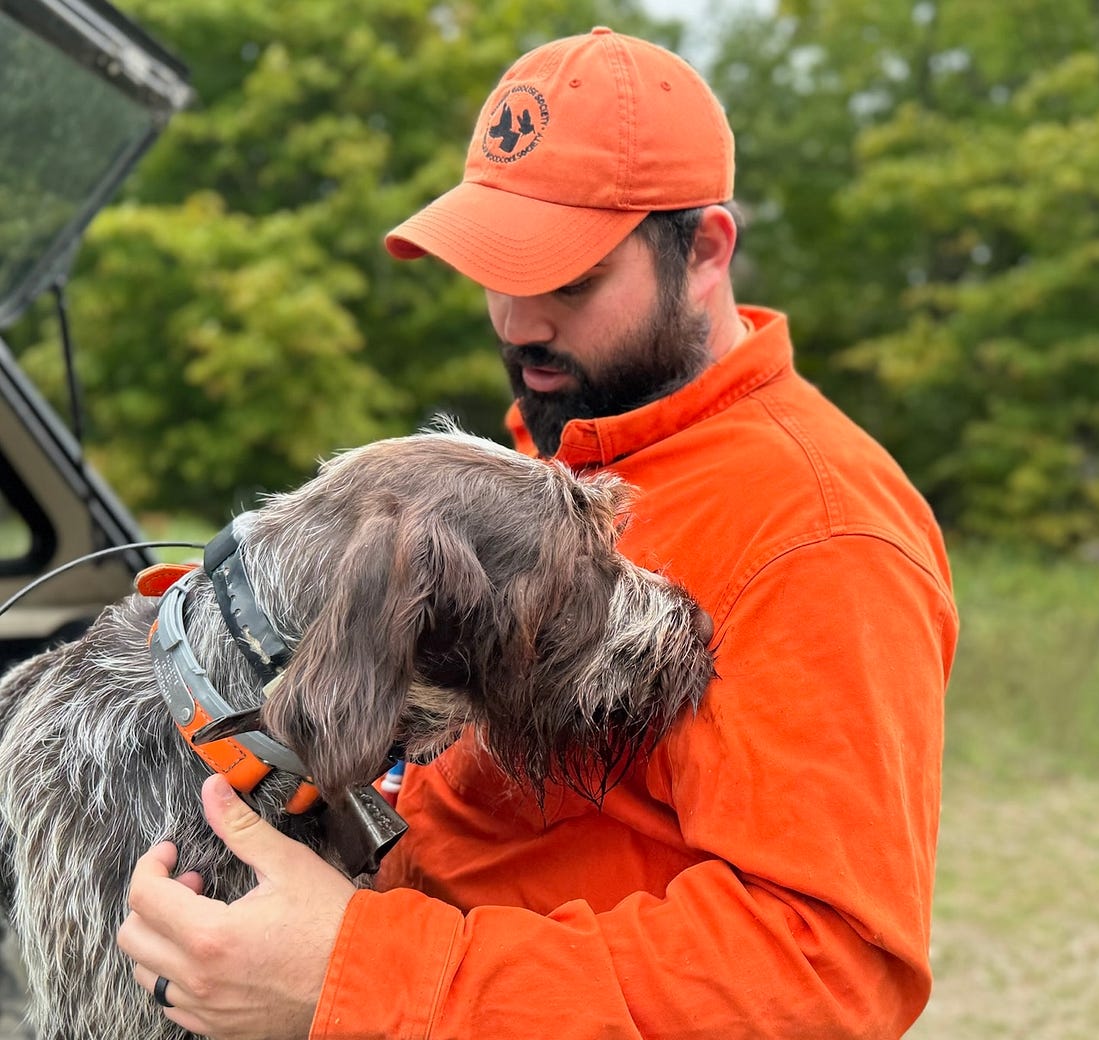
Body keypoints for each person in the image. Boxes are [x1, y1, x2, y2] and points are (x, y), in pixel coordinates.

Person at [118, 27, 958, 1040]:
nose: (516, 320)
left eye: (568, 280)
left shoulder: (815, 529)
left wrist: (357, 973)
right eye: (494, 267)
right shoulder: (574, 442)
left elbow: (824, 976)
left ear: (703, 250)